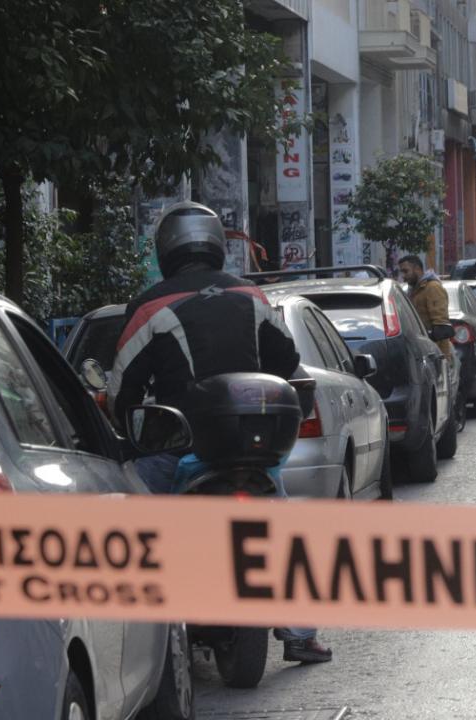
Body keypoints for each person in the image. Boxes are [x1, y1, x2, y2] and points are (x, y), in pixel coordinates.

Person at [108, 201, 333, 664]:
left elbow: (121, 389)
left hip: (178, 448)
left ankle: (140, 636)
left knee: (131, 513)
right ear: (214, 242)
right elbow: (287, 362)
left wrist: (124, 424)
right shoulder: (251, 296)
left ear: (166, 248)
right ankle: (301, 633)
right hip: (251, 450)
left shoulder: (149, 306)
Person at [398, 254, 454, 359]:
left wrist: (435, 355)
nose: (403, 276)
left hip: (434, 354)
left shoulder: (432, 287)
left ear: (417, 269)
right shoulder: (414, 289)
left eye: (406, 271)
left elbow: (440, 325)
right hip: (422, 351)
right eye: (402, 272)